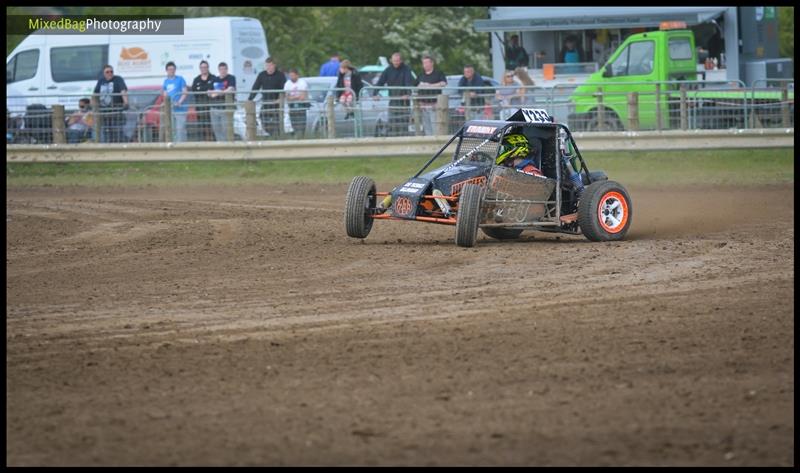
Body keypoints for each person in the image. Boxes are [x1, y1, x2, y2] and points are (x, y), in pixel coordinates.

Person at [373, 52, 416, 136]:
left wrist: (407, 93)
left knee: (403, 122)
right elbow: (380, 82)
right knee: (392, 122)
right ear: (391, 61)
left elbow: (408, 82)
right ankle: (394, 140)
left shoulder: (406, 69)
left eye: (397, 61)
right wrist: (375, 93)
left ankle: (404, 139)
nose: (396, 63)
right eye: (394, 61)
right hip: (393, 100)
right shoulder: (388, 70)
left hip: (404, 101)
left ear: (401, 60)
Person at [248, 57, 286, 137]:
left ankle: (278, 136)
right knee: (262, 118)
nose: (268, 67)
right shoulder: (262, 75)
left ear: (274, 65)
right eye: (267, 65)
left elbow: (285, 89)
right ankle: (271, 134)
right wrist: (250, 99)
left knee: (277, 121)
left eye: (270, 65)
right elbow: (256, 87)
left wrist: (280, 99)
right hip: (266, 102)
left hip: (277, 103)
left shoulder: (280, 75)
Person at [93, 64, 128, 143]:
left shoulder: (118, 79)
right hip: (104, 111)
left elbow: (123, 91)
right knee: (106, 130)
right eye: (107, 72)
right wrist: (93, 106)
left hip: (116, 109)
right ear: (103, 73)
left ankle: (119, 145)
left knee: (117, 130)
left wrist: (126, 102)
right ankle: (108, 145)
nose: (110, 73)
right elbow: (95, 94)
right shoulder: (101, 81)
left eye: (111, 71)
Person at [416, 55, 447, 135]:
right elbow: (416, 87)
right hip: (424, 106)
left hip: (435, 105)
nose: (425, 65)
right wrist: (419, 102)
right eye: (424, 63)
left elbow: (443, 83)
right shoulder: (420, 75)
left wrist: (430, 85)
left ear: (432, 63)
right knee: (427, 128)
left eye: (427, 63)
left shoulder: (439, 73)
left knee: (435, 127)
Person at [208, 62, 236, 142]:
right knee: (216, 129)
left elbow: (231, 89)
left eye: (224, 69)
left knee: (226, 129)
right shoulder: (214, 79)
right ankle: (220, 144)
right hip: (214, 108)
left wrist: (217, 93)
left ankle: (228, 145)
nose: (222, 71)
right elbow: (209, 92)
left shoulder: (231, 78)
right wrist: (218, 92)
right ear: (218, 70)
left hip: (225, 108)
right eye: (221, 69)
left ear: (227, 70)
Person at [162, 61, 189, 142]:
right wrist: (166, 103)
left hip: (180, 109)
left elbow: (185, 92)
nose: (171, 71)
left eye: (173, 69)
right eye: (169, 69)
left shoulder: (180, 79)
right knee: (172, 129)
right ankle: (174, 146)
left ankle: (182, 146)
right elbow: (165, 94)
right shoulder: (165, 81)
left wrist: (179, 102)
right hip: (170, 110)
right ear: (166, 70)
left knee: (180, 129)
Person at [191, 60, 217, 141]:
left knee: (213, 125)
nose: (204, 69)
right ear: (200, 68)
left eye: (205, 67)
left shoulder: (214, 78)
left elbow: (215, 89)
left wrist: (202, 89)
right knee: (203, 126)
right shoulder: (196, 79)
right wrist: (206, 89)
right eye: (202, 67)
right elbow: (195, 91)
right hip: (200, 107)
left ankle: (214, 142)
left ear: (208, 68)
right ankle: (204, 142)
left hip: (212, 106)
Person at [283, 68, 310, 137]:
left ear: (297, 75)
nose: (291, 77)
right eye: (290, 76)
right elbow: (287, 98)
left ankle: (302, 136)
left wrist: (292, 97)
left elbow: (303, 97)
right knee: (293, 123)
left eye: (293, 75)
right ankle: (296, 136)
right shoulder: (287, 84)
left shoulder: (302, 82)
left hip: (301, 106)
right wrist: (297, 97)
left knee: (302, 123)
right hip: (292, 106)